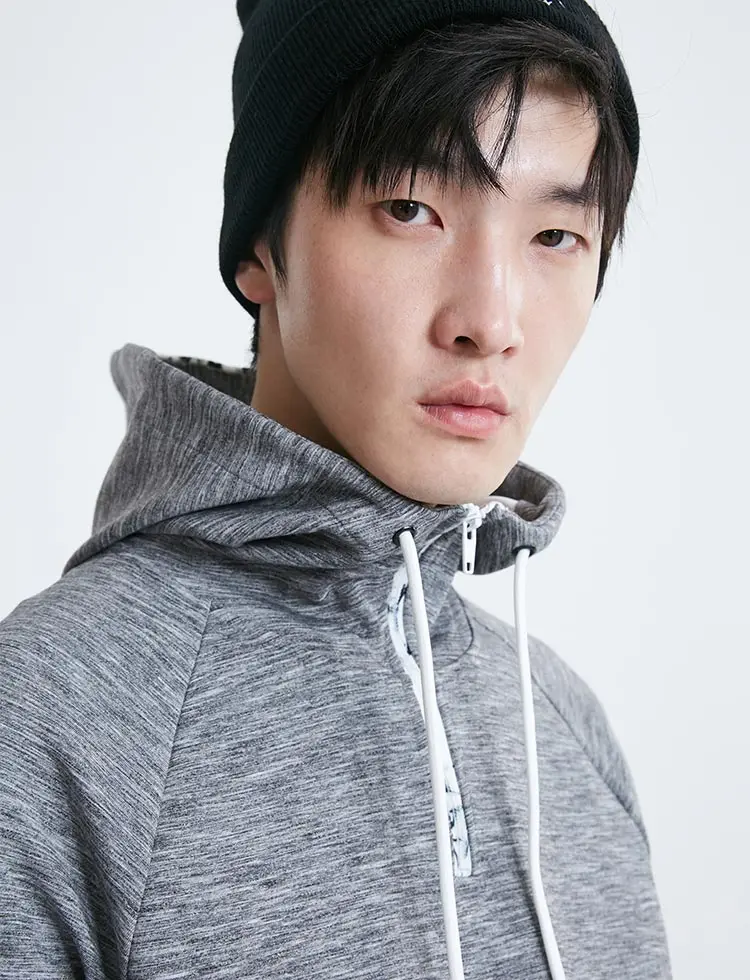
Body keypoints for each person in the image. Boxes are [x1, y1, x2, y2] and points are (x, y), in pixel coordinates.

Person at [0, 1, 673, 978]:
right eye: (410, 209)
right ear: (260, 246)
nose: (491, 321)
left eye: (557, 234)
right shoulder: (45, 721)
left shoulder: (565, 723)